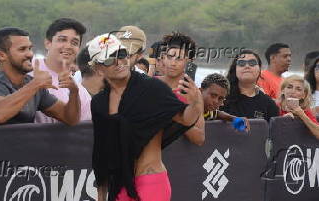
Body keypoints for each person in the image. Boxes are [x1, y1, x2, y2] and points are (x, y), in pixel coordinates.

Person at [88, 33, 203, 201]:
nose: (118, 62)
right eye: (108, 60)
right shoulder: (99, 103)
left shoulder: (152, 88)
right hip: (118, 186)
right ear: (98, 68)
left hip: (151, 182)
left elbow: (185, 119)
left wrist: (196, 104)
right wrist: (101, 196)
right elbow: (101, 154)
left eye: (120, 54)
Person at [0, 27, 81, 125]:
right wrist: (35, 85)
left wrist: (74, 92)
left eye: (30, 48)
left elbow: (70, 119)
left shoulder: (33, 85)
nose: (30, 54)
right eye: (22, 49)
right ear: (1, 55)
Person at [34, 18, 92, 123]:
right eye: (62, 40)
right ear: (48, 43)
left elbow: (82, 133)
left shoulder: (81, 94)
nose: (68, 46)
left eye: (74, 43)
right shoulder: (29, 70)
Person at [156, 32, 204, 146]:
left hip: (174, 156)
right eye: (170, 57)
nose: (173, 63)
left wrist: (176, 117)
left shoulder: (193, 93)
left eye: (179, 58)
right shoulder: (150, 84)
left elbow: (199, 138)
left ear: (189, 61)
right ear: (163, 57)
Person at [222, 50, 280, 122]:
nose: (247, 66)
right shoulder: (221, 98)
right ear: (235, 70)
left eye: (252, 63)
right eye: (241, 63)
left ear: (259, 70)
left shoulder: (269, 104)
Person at [278, 75, 319, 140]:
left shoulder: (305, 111)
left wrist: (302, 115)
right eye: (289, 87)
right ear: (283, 90)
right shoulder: (275, 106)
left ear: (303, 95)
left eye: (298, 89)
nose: (293, 91)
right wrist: (282, 120)